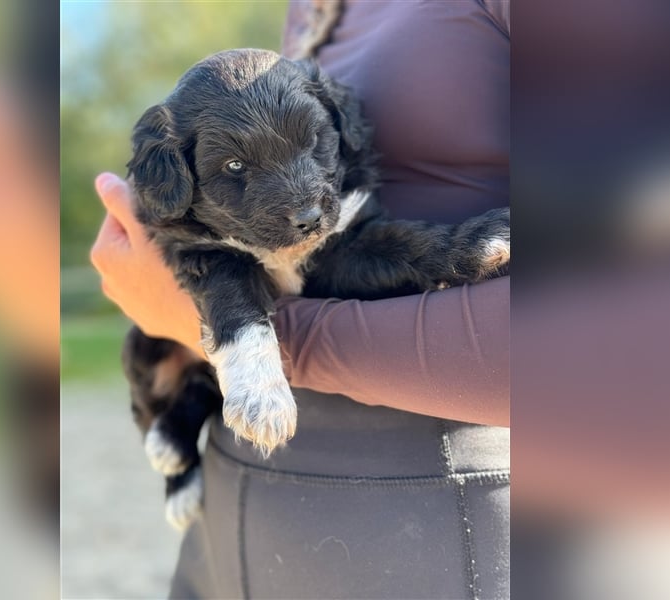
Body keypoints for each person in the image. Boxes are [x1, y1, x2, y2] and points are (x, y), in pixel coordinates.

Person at [90, 1, 510, 597]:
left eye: (312, 145)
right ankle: (177, 447)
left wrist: (461, 250)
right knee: (157, 365)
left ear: (335, 127)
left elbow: (359, 256)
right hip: (232, 523)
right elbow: (198, 265)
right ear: (176, 176)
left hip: (434, 523)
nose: (304, 205)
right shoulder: (309, 13)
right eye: (234, 167)